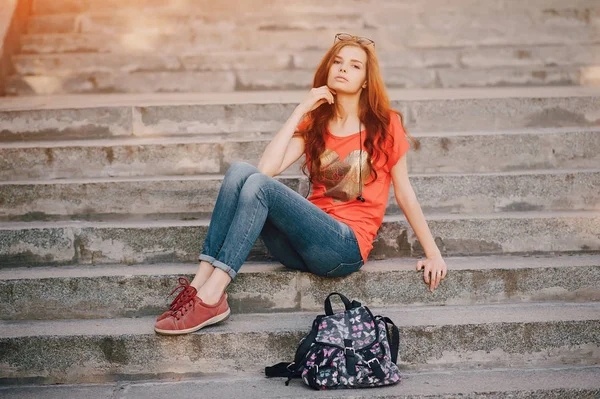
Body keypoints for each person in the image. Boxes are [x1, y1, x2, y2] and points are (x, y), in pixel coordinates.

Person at [154, 33, 448, 335]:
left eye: (355, 66)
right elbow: (266, 169)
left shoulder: (385, 124)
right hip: (300, 245)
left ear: (365, 81)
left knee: (260, 186)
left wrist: (433, 252)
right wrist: (301, 109)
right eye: (337, 62)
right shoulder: (316, 123)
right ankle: (197, 287)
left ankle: (214, 293)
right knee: (240, 171)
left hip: (343, 247)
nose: (343, 69)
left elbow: (404, 192)